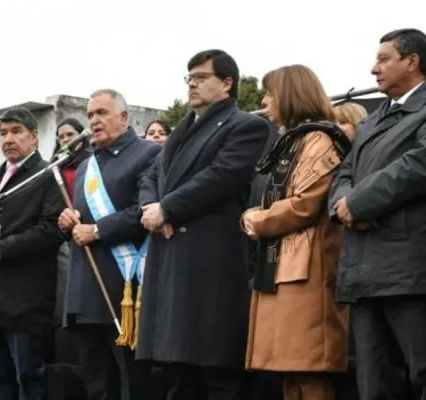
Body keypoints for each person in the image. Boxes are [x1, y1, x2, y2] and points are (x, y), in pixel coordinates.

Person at [137, 49, 270, 399]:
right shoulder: (182, 129)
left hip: (210, 259)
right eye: (189, 78)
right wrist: (152, 208)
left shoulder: (247, 126)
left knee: (213, 366)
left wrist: (169, 209)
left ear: (227, 84)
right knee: (177, 371)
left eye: (201, 77)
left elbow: (221, 176)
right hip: (170, 258)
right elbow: (151, 175)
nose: (192, 84)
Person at [242, 65, 352, 400]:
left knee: (310, 370)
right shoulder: (294, 140)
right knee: (289, 372)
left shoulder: (319, 140)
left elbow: (305, 204)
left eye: (271, 93)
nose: (264, 100)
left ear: (290, 96)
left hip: (309, 269)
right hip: (284, 266)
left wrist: (257, 219)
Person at [329, 28, 426, 400]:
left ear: (412, 61)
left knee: (421, 371)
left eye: (384, 59)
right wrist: (342, 206)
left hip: (409, 271)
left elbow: (415, 167)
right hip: (364, 270)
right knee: (373, 382)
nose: (374, 69)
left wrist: (359, 202)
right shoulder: (372, 122)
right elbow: (344, 173)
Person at [58, 89, 161, 400]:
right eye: (90, 115)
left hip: (124, 287)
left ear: (124, 117)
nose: (94, 121)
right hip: (85, 287)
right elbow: (78, 224)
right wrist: (66, 222)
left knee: (133, 381)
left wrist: (98, 230)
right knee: (97, 384)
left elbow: (143, 209)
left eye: (102, 113)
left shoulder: (148, 154)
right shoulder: (87, 163)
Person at [0, 108, 64, 400]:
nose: (8, 139)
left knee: (27, 377)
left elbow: (52, 229)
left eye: (16, 131)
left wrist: (5, 248)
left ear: (34, 137)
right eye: (3, 133)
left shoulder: (48, 173)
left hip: (26, 299)